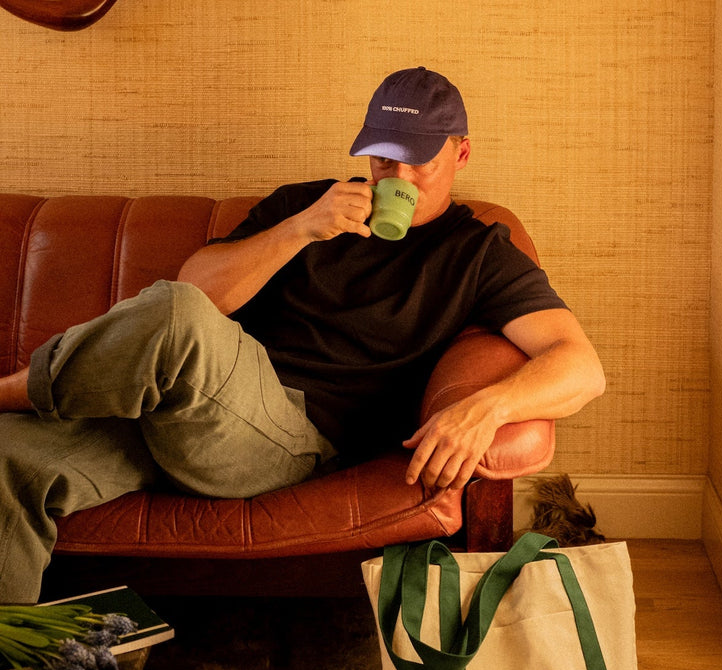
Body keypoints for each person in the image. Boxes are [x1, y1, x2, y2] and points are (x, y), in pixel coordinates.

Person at [0, 67, 605, 603]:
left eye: (419, 159)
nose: (399, 176)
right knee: (9, 454)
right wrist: (301, 229)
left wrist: (486, 406)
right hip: (186, 414)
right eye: (384, 158)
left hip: (290, 440)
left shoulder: (477, 253)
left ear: (462, 153)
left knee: (176, 315)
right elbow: (201, 288)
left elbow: (579, 366)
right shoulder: (306, 206)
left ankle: (15, 388)